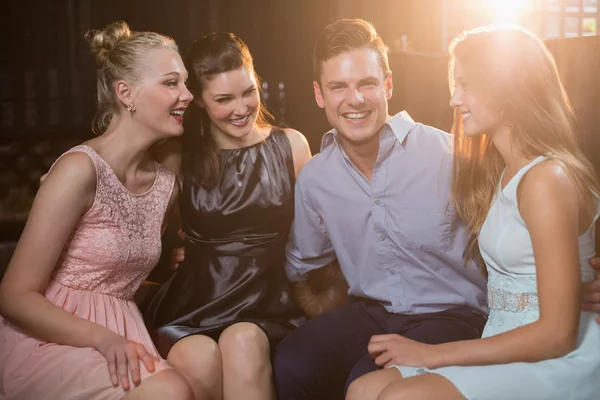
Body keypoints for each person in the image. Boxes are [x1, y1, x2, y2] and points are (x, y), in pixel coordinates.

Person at [272, 18, 600, 400]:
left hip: (460, 316)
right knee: (300, 363)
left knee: (371, 385)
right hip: (391, 313)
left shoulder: (463, 158)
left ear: (388, 84)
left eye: (467, 85)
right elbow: (302, 264)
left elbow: (569, 222)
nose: (453, 100)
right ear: (319, 94)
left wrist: (580, 275)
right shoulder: (493, 165)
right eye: (338, 87)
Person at [0, 21, 195, 399]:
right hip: (51, 341)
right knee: (169, 390)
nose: (187, 95)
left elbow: (117, 277)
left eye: (185, 83)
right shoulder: (78, 170)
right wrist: (103, 339)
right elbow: (13, 295)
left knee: (198, 371)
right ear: (126, 93)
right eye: (171, 83)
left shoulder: (167, 183)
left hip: (123, 333)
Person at [143, 32, 312, 400]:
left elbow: (321, 232)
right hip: (194, 307)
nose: (241, 108)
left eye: (248, 91)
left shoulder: (292, 145)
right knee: (197, 356)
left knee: (243, 340)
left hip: (272, 305)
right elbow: (135, 221)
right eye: (223, 99)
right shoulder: (178, 156)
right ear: (199, 102)